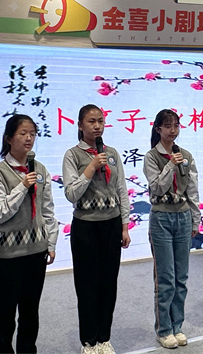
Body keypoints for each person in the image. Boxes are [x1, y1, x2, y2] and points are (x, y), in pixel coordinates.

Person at [0, 114, 59, 352]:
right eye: (23, 134)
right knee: (4, 316)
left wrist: (51, 243)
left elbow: (48, 210)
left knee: (30, 313)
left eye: (32, 134)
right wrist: (23, 186)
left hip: (36, 252)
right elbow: (0, 212)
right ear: (8, 138)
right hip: (8, 256)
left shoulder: (40, 169)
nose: (29, 138)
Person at [63, 104, 131, 354]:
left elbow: (121, 189)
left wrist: (124, 225)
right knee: (87, 286)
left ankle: (104, 338)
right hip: (86, 227)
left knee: (108, 284)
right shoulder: (72, 155)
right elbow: (71, 193)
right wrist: (91, 167)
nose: (97, 126)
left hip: (111, 225)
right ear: (80, 125)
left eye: (100, 121)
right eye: (91, 121)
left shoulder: (111, 153)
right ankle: (89, 342)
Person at [144, 109, 200, 349]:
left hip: (183, 217)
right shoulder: (151, 156)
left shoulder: (186, 155)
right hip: (161, 219)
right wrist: (170, 165)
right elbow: (157, 187)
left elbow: (193, 189)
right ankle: (164, 329)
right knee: (165, 278)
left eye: (176, 125)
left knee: (181, 277)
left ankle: (178, 326)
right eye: (167, 126)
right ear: (158, 129)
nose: (172, 130)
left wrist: (196, 219)